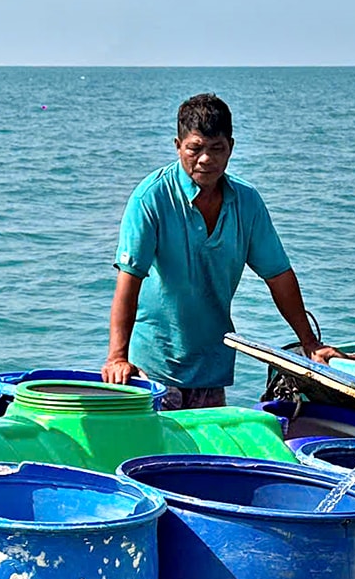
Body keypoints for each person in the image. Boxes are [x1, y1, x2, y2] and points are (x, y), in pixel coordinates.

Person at [103, 94, 335, 408]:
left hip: (212, 365)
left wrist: (310, 343)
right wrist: (117, 357)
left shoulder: (246, 201)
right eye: (195, 148)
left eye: (217, 149)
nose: (206, 160)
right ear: (177, 145)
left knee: (203, 454)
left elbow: (278, 275)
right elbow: (128, 282)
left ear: (231, 147)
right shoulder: (151, 198)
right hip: (153, 366)